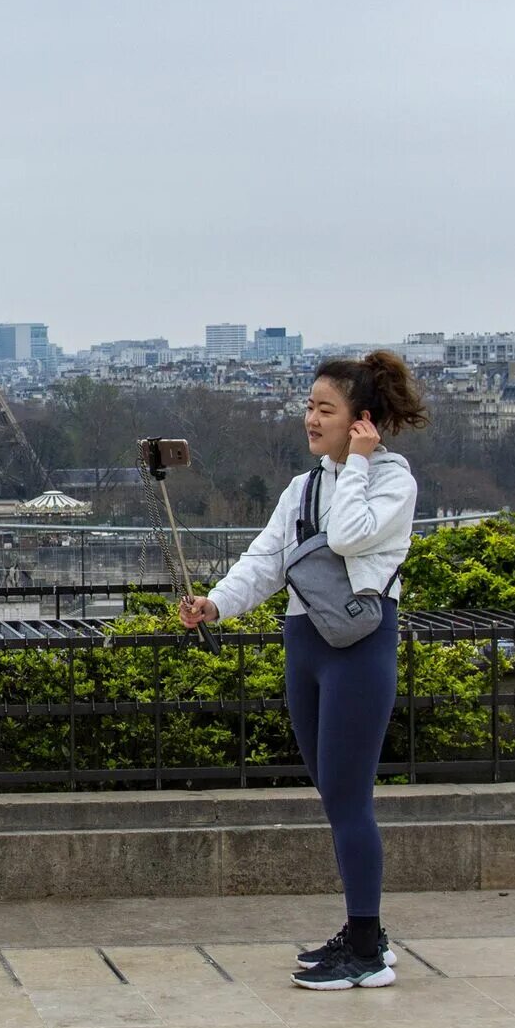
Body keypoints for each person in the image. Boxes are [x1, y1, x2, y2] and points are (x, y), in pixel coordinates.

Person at [180, 351, 427, 991]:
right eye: (309, 407)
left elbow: (347, 538)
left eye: (325, 409)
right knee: (335, 795)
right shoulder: (303, 487)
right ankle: (363, 928)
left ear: (361, 421)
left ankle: (368, 949)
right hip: (306, 643)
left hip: (358, 649)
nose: (310, 419)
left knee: (348, 800)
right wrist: (216, 604)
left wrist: (360, 464)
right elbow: (265, 560)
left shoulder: (392, 482)